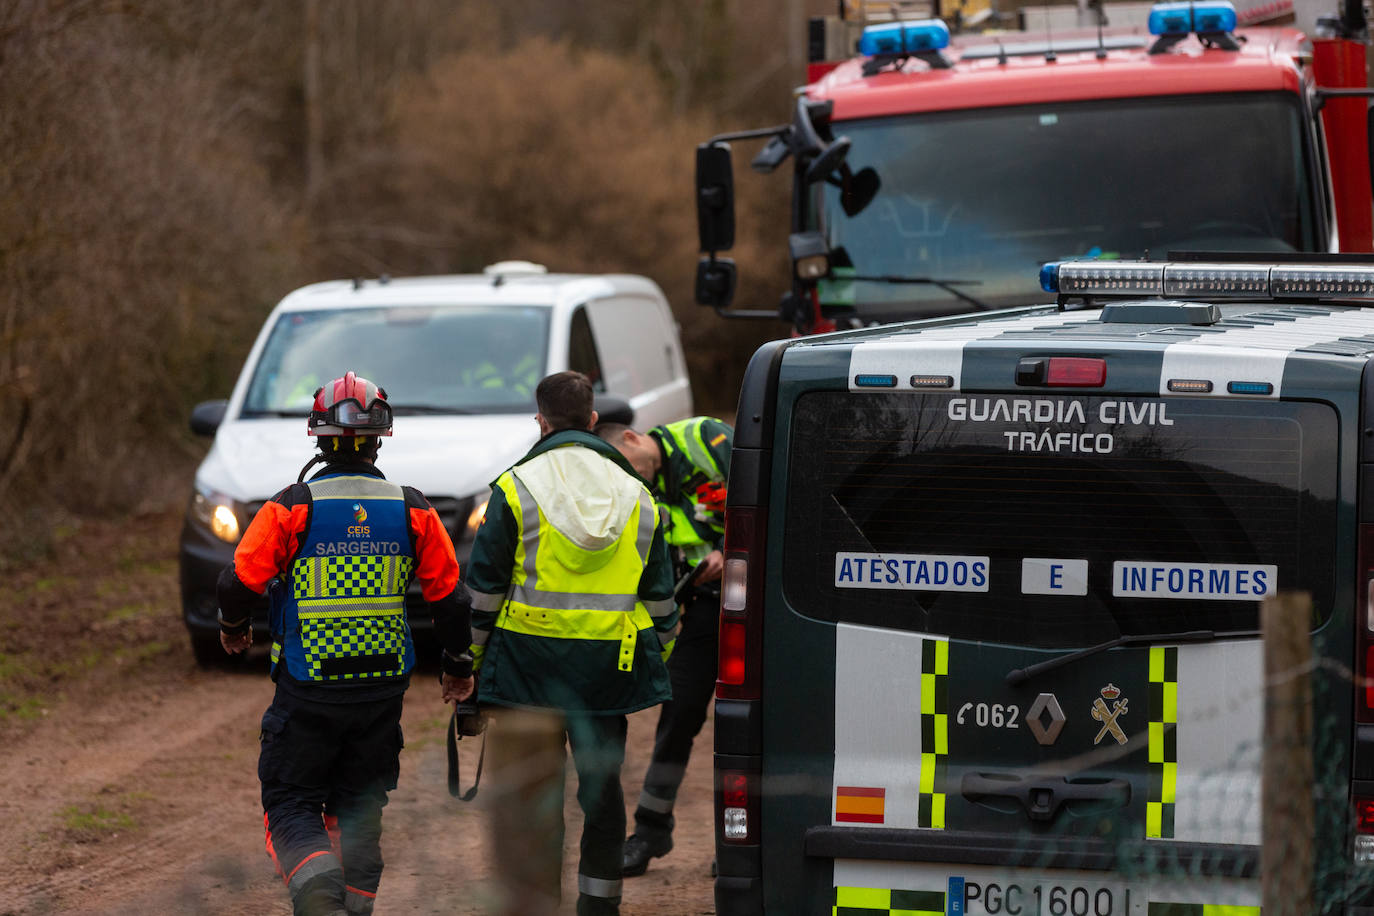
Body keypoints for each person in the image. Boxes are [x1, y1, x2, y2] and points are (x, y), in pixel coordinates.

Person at [217, 371, 474, 916]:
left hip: (308, 692)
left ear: (317, 437)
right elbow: (450, 600)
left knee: (291, 800)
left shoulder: (293, 506)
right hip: (381, 696)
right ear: (380, 438)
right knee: (360, 809)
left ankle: (320, 899)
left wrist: (234, 627)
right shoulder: (414, 509)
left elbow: (236, 583)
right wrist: (456, 667)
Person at [464, 370, 679, 916]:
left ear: (541, 421)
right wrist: (654, 657)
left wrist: (474, 670)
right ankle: (598, 906)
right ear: (591, 421)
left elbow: (484, 594)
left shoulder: (515, 489)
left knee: (534, 799)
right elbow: (660, 606)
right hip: (607, 673)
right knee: (602, 799)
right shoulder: (640, 496)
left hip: (525, 676)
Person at [594, 416, 732, 877]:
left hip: (763, 602)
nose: (629, 477)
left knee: (756, 727)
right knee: (677, 715)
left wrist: (734, 550)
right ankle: (651, 831)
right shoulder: (639, 490)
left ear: (632, 438)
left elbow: (781, 495)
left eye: (627, 463)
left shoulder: (707, 439)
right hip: (702, 607)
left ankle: (744, 840)